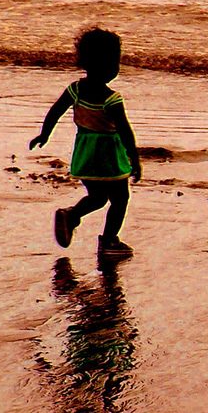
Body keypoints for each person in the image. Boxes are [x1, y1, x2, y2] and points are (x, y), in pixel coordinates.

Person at [29, 27, 142, 255]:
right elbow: (125, 131)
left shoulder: (75, 90)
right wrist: (135, 159)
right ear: (111, 67)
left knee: (98, 197)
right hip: (108, 156)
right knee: (120, 199)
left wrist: (44, 134)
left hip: (84, 154)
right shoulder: (112, 99)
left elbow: (55, 111)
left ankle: (71, 215)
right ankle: (109, 241)